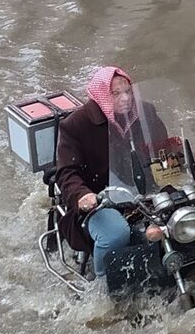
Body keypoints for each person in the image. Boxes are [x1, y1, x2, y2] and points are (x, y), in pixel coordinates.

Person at [55, 66, 167, 278]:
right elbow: (66, 172)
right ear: (101, 96)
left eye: (128, 91)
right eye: (116, 93)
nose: (126, 98)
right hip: (100, 200)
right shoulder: (76, 125)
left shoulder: (145, 112)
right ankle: (103, 285)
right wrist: (82, 195)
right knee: (115, 233)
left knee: (184, 212)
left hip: (143, 191)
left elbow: (165, 149)